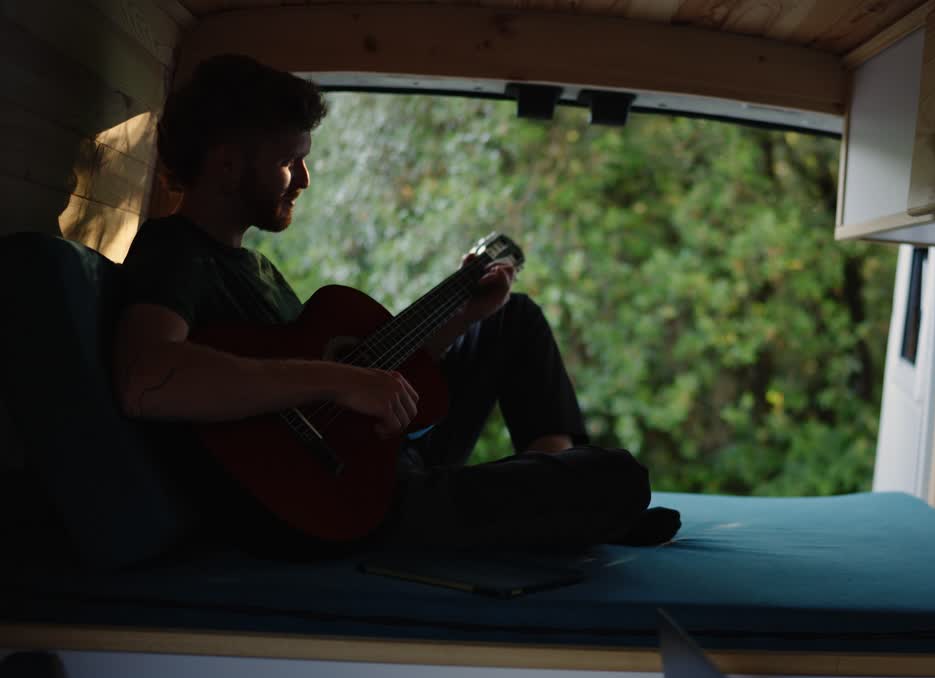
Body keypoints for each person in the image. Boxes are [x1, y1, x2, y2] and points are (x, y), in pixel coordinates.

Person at [113, 54, 680, 555]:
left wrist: (462, 315)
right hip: (330, 501)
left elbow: (357, 381)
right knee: (619, 477)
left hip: (369, 450)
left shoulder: (254, 268)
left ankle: (550, 497)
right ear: (228, 164)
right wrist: (335, 380)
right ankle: (556, 507)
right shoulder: (172, 252)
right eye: (290, 160)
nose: (304, 179)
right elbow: (147, 379)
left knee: (511, 317)